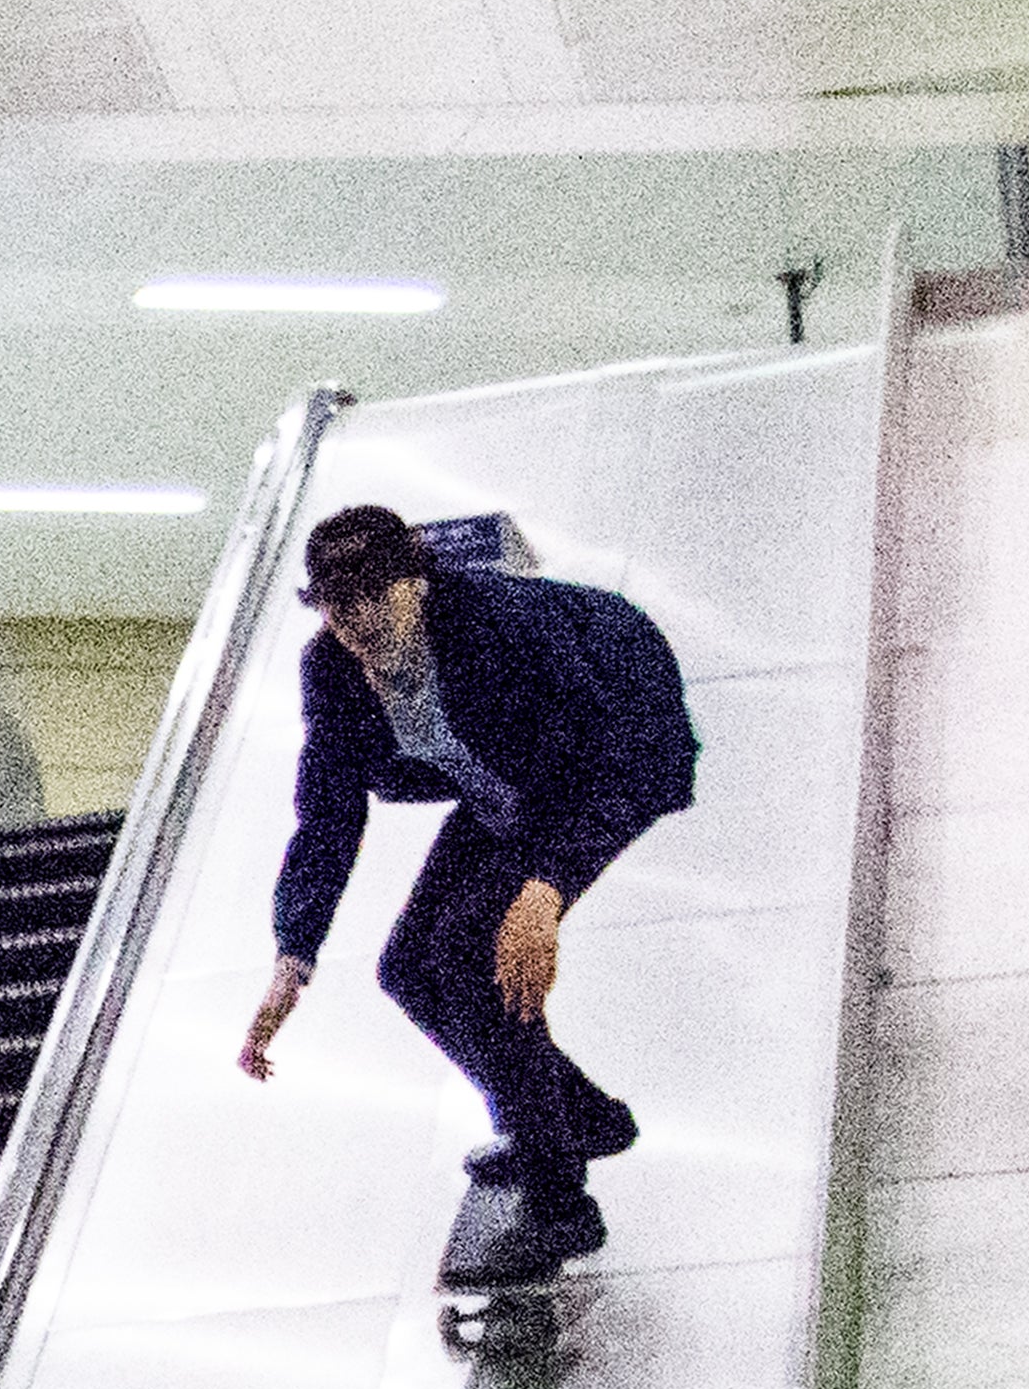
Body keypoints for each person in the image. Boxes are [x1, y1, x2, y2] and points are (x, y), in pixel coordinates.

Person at [234, 502, 701, 1285]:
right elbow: (327, 809)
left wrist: (546, 888)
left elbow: (600, 764)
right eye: (339, 612)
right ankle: (575, 1116)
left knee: (470, 958)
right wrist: (293, 955)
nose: (360, 629)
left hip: (612, 757)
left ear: (416, 582)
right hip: (504, 785)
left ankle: (561, 1206)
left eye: (374, 601)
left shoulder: (499, 627)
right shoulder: (332, 669)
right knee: (407, 970)